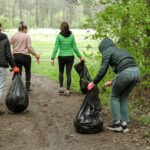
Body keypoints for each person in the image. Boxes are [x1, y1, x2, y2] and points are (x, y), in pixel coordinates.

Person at [87, 37, 140, 133]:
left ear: (102, 48)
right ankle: (124, 124)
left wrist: (93, 82)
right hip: (136, 73)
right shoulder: (119, 50)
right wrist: (112, 81)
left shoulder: (107, 51)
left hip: (126, 73)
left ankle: (117, 124)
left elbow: (103, 70)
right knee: (123, 97)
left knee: (114, 96)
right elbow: (127, 68)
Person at [50, 21, 84, 96]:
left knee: (61, 72)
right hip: (70, 57)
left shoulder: (59, 36)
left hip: (61, 57)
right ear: (68, 28)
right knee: (68, 73)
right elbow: (75, 48)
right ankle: (68, 90)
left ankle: (61, 88)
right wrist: (80, 57)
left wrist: (52, 58)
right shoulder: (72, 36)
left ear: (61, 28)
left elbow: (56, 48)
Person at [10, 21, 40, 92]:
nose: (27, 31)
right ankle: (27, 87)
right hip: (25, 57)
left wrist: (11, 53)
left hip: (16, 56)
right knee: (27, 71)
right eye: (26, 29)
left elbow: (8, 43)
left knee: (18, 72)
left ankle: (17, 86)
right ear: (24, 29)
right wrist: (35, 55)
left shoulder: (14, 35)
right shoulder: (27, 36)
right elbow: (29, 47)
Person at [0, 22, 19, 114]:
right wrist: (14, 66)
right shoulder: (5, 39)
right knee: (0, 87)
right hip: (2, 66)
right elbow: (8, 55)